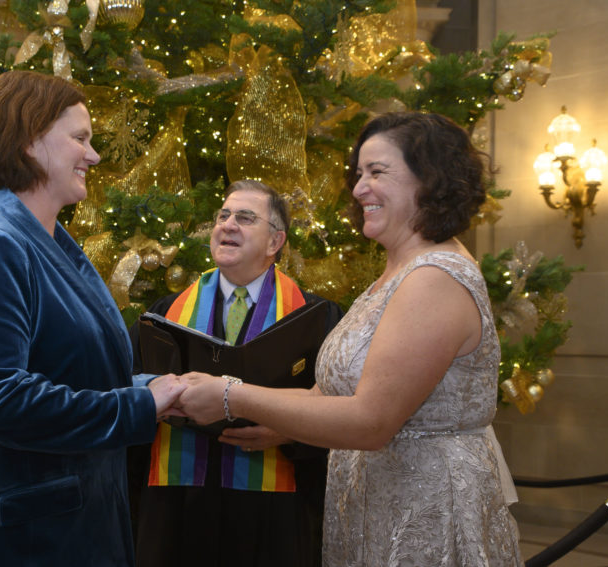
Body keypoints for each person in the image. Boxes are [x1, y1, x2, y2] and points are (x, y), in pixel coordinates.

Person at [177, 112, 523, 566]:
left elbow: (371, 420)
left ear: (430, 180)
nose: (359, 188)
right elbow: (347, 384)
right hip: (376, 502)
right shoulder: (398, 270)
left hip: (424, 515)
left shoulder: (435, 277)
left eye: (377, 172)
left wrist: (232, 396)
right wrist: (283, 424)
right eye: (359, 173)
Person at [0, 71, 184, 566]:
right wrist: (137, 408)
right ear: (28, 141)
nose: (94, 155)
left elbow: (69, 370)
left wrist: (153, 389)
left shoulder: (51, 241)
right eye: (80, 138)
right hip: (14, 538)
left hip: (66, 526)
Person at [128, 180, 344, 567]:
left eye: (245, 218)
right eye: (223, 216)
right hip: (178, 501)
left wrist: (291, 428)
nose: (228, 224)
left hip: (272, 504)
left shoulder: (314, 318)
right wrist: (156, 396)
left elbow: (342, 407)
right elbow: (127, 382)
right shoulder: (164, 313)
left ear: (275, 242)